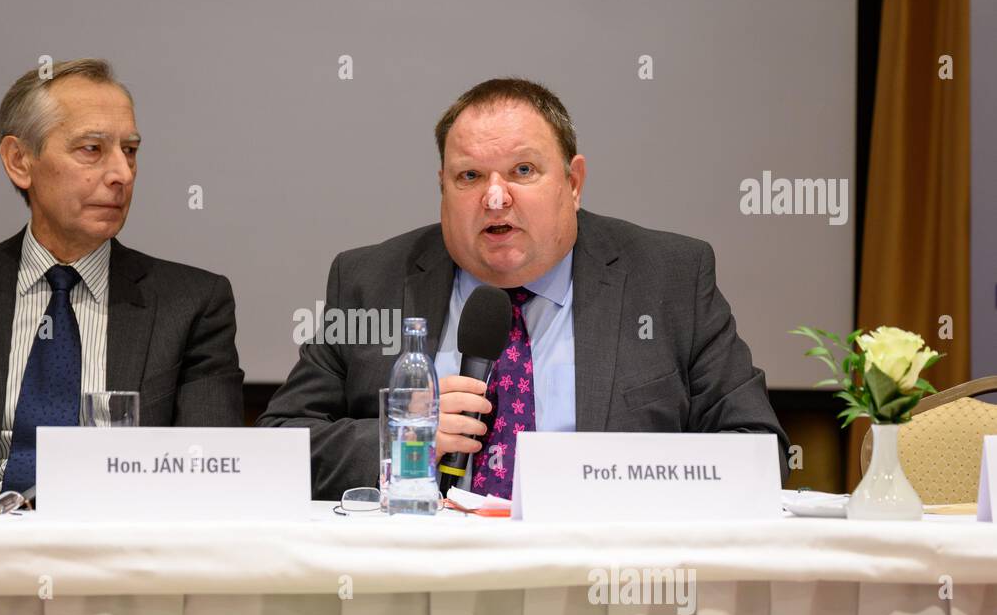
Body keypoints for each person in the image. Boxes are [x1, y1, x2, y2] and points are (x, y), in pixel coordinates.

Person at [258, 77, 789, 501]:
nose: (494, 199)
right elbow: (280, 446)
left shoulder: (667, 276)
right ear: (442, 186)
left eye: (523, 171)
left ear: (573, 183)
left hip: (605, 575)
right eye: (469, 177)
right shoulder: (371, 281)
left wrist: (619, 486)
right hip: (424, 574)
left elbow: (757, 449)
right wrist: (404, 438)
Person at [0, 59, 243, 496]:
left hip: (117, 552)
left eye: (129, 151)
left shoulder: (193, 304)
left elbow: (209, 481)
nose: (122, 174)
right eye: (92, 149)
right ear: (19, 161)